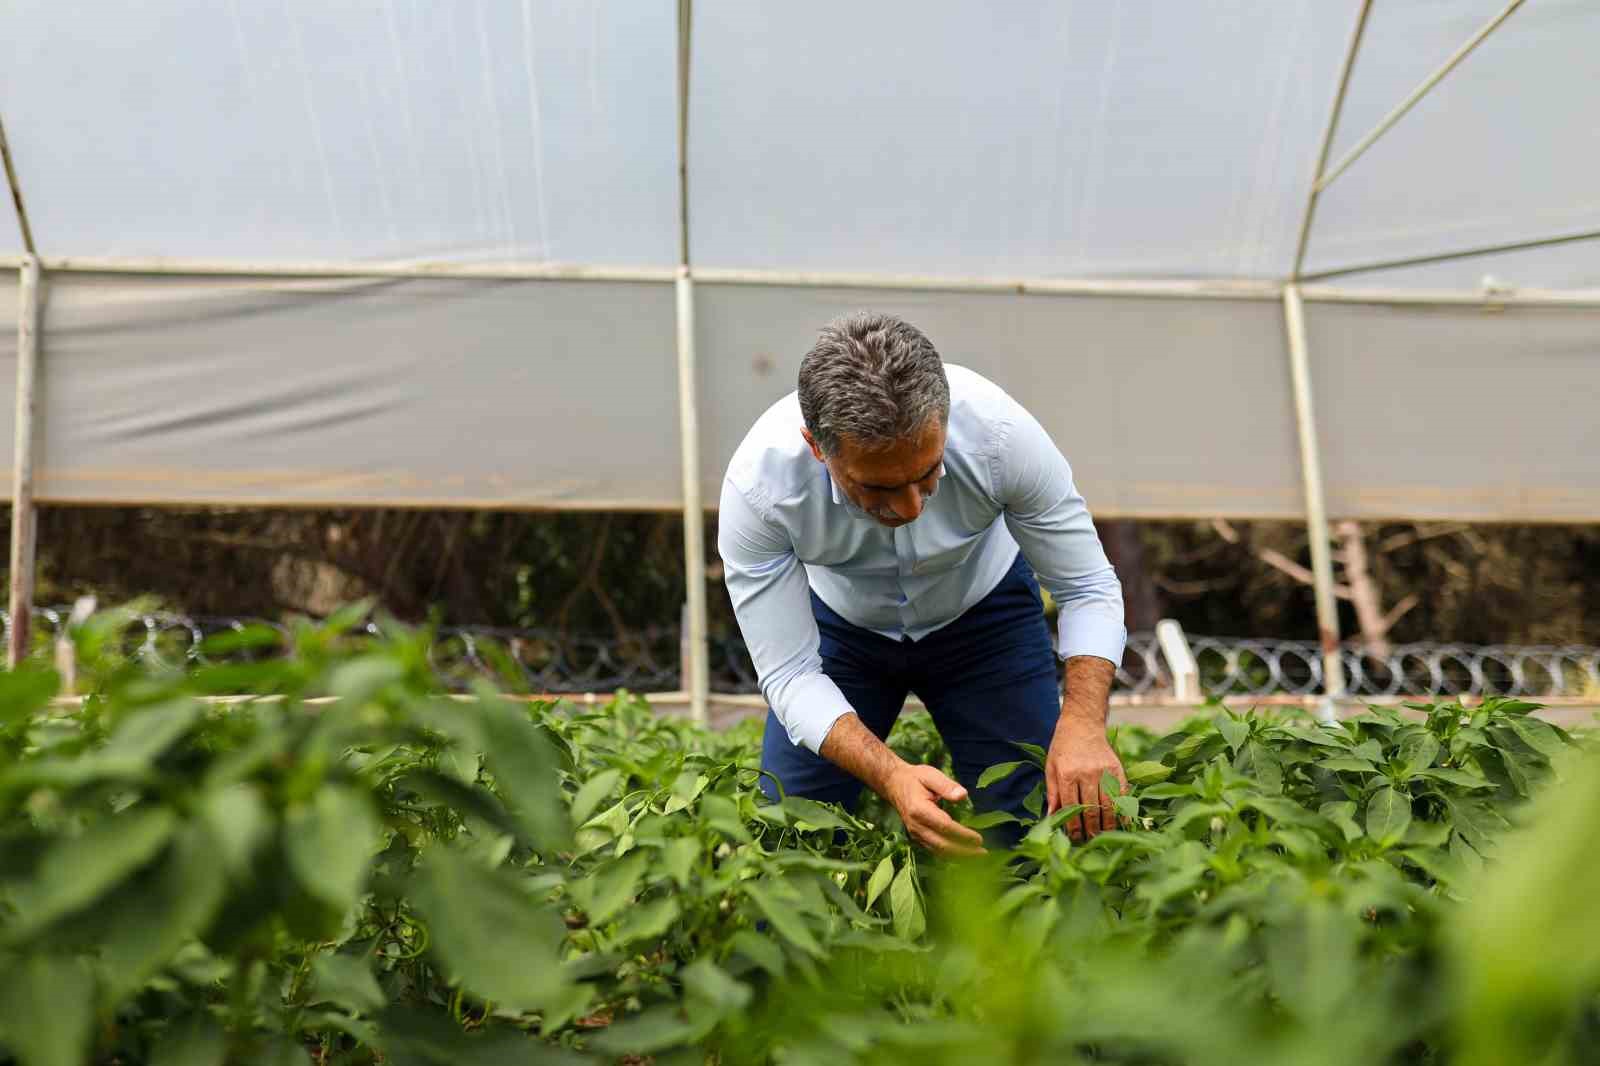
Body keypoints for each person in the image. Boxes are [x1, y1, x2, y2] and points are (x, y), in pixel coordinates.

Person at [717, 311, 1128, 855]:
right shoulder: (759, 488)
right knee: (791, 835)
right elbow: (791, 673)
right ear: (819, 448)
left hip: (986, 622)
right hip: (842, 635)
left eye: (928, 472)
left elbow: (1086, 587)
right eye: (879, 488)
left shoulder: (1002, 437)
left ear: (946, 419)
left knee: (1038, 829)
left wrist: (1082, 724)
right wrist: (891, 775)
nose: (910, 507)